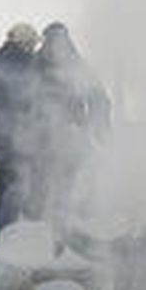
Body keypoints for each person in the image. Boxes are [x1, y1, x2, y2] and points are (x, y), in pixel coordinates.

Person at [31, 22, 110, 227]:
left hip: (66, 131)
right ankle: (49, 222)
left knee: (71, 178)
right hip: (46, 133)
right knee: (51, 179)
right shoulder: (41, 64)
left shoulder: (74, 64)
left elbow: (98, 98)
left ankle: (68, 221)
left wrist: (98, 127)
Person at [0, 24, 40, 225]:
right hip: (27, 149)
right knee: (22, 201)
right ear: (26, 43)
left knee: (2, 200)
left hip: (1, 149)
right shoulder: (36, 68)